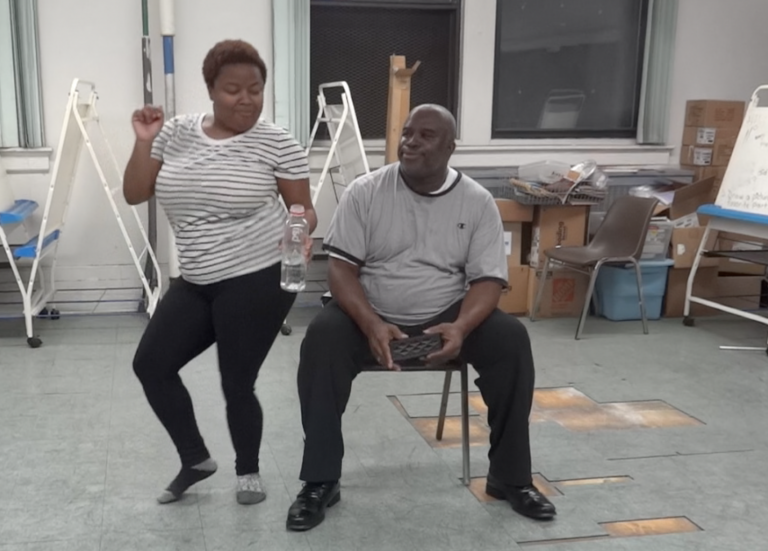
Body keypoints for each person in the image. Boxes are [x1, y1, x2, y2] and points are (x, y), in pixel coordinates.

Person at [285, 104, 556, 531]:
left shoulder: (477, 202)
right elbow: (340, 270)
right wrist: (371, 323)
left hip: (447, 315)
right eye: (407, 133)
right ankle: (320, 480)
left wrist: (462, 326)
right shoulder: (366, 191)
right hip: (368, 313)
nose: (410, 141)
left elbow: (488, 281)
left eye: (425, 136)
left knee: (510, 340)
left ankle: (510, 478)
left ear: (450, 147)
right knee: (321, 339)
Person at [123, 39, 316, 506]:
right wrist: (144, 141)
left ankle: (247, 471)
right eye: (233, 89)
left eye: (255, 88)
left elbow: (302, 208)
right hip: (196, 277)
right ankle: (194, 458)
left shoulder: (276, 142)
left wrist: (300, 229)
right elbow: (135, 192)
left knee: (236, 381)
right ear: (210, 89)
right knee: (151, 364)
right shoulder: (175, 133)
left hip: (259, 275)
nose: (246, 98)